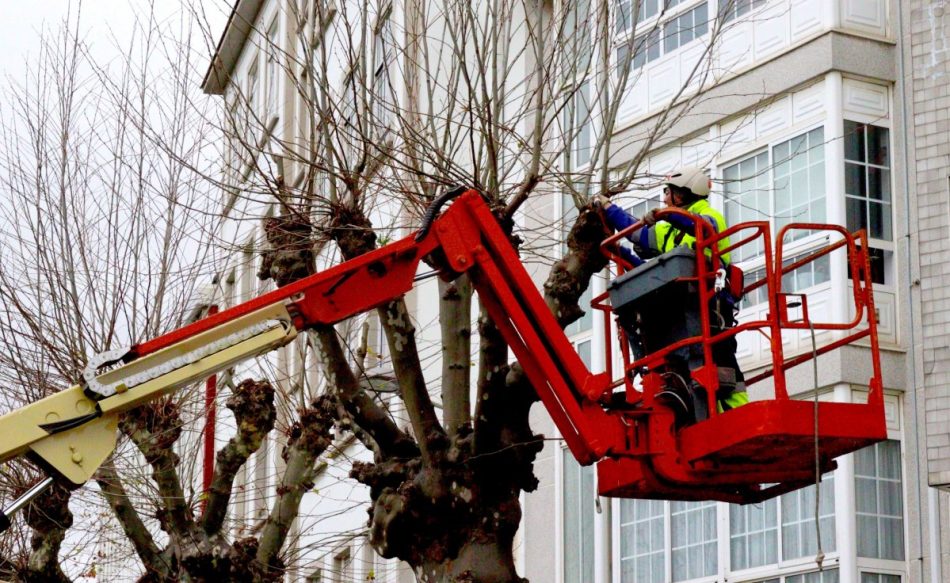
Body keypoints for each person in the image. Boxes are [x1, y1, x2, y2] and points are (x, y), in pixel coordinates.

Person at [595, 167, 748, 420]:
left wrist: (668, 216)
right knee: (683, 373)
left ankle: (742, 420)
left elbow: (699, 227)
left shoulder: (709, 217)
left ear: (685, 193)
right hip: (679, 310)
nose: (665, 198)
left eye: (670, 193)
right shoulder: (669, 229)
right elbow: (638, 233)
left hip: (708, 310)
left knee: (723, 376)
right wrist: (609, 212)